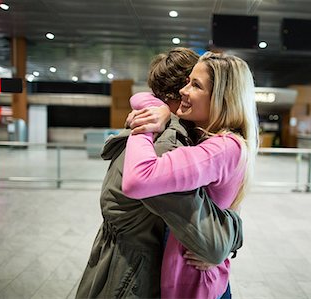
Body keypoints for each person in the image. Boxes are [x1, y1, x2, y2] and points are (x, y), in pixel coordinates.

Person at [76, 48, 243, 299]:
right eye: (189, 85)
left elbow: (214, 208)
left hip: (122, 265)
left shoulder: (193, 140)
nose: (188, 92)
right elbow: (210, 241)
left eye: (195, 85)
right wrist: (227, 243)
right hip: (132, 276)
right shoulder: (165, 144)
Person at [122, 51, 259, 299]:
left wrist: (144, 127)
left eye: (195, 85)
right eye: (187, 82)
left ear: (221, 98)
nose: (183, 91)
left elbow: (137, 179)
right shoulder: (213, 138)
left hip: (194, 281)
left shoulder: (224, 148)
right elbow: (141, 96)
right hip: (191, 271)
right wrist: (159, 109)